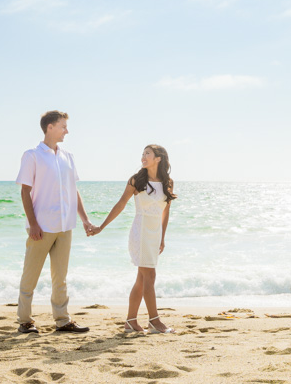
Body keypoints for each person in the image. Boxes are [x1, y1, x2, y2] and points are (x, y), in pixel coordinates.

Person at [14, 110, 95, 334]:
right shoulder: (32, 155)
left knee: (60, 277)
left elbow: (73, 190)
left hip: (65, 225)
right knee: (30, 275)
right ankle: (25, 321)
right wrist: (33, 224)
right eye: (63, 126)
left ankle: (62, 320)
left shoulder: (68, 157)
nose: (66, 130)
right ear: (50, 127)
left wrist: (85, 219)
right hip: (41, 226)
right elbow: (25, 192)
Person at [88, 144, 177, 334]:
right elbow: (121, 204)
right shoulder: (136, 180)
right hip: (141, 230)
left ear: (158, 158)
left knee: (142, 279)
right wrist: (102, 226)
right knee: (149, 277)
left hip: (155, 234)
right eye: (142, 154)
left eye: (148, 154)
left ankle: (130, 322)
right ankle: (154, 321)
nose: (143, 157)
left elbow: (165, 212)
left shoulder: (168, 182)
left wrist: (163, 236)